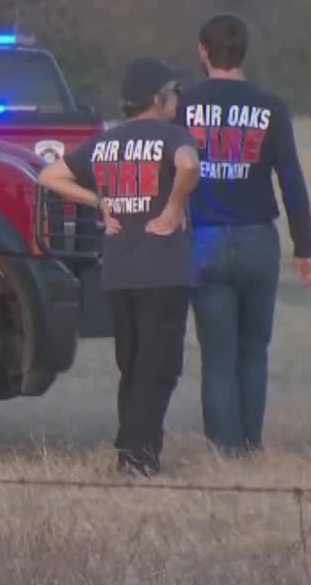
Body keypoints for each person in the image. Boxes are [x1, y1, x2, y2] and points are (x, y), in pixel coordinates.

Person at [39, 56, 200, 476]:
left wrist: (99, 201)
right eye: (173, 91)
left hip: (118, 272)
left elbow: (50, 176)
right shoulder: (171, 135)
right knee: (159, 367)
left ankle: (130, 451)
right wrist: (174, 206)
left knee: (131, 366)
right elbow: (188, 165)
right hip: (163, 270)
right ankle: (139, 458)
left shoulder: (104, 143)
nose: (178, 97)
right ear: (156, 98)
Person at [175, 13, 311, 457]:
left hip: (205, 240)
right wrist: (304, 246)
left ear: (203, 51)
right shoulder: (270, 106)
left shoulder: (183, 106)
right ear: (244, 52)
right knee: (253, 351)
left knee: (218, 357)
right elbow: (290, 178)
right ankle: (251, 446)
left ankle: (225, 453)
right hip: (258, 238)